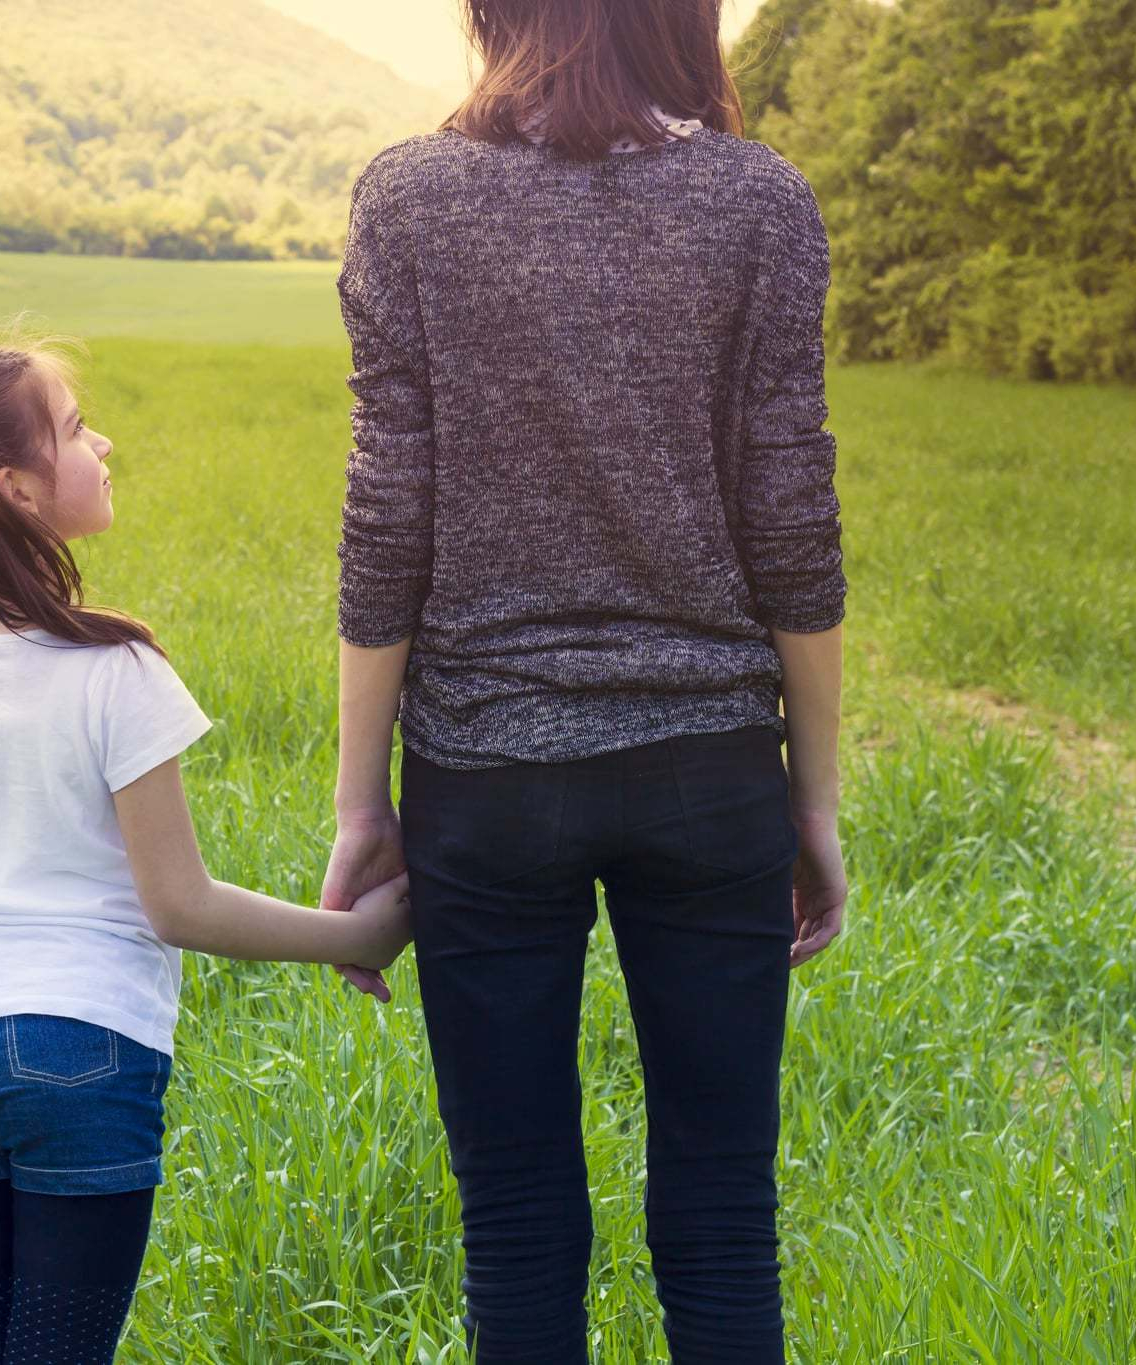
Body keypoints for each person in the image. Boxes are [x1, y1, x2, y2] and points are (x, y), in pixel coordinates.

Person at [320, 2, 851, 1360]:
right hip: (710, 768)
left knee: (514, 1222)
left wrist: (359, 802)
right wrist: (815, 801)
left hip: (484, 778)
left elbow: (390, 515)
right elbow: (794, 519)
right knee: (726, 1215)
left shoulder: (410, 199)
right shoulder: (761, 202)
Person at [0, 339, 413, 1364]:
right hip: (77, 1049)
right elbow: (179, 905)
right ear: (16, 488)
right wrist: (359, 931)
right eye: (74, 428)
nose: (101, 441)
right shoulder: (113, 668)